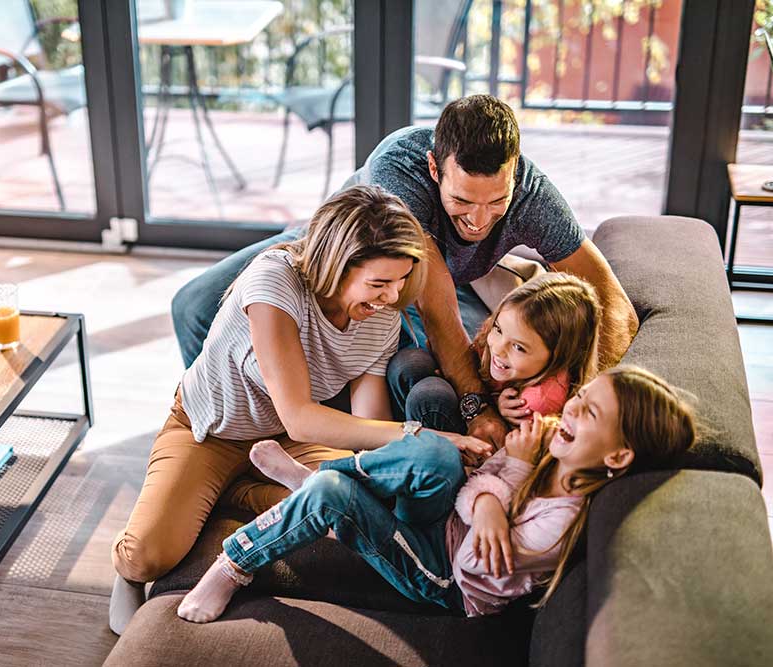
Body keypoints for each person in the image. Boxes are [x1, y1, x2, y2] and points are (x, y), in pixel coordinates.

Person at [110, 185, 493, 634]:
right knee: (149, 555)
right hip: (212, 431)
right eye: (378, 283)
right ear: (336, 265)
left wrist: (389, 461)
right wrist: (421, 436)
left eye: (400, 282)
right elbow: (299, 413)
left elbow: (364, 423)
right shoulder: (275, 282)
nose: (391, 297)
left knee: (362, 505)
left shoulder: (382, 311)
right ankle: (150, 549)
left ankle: (240, 488)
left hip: (292, 441)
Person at [170, 95, 638, 449]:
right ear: (435, 169)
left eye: (497, 202)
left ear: (515, 173)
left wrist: (581, 398)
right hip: (334, 250)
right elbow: (435, 310)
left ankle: (303, 432)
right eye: (461, 203)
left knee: (494, 358)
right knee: (192, 306)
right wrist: (476, 411)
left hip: (430, 284)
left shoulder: (535, 197)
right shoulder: (400, 170)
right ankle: (232, 440)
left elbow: (615, 305)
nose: (478, 221)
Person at [176, 366, 697, 622]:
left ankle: (234, 563)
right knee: (436, 455)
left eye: (591, 416)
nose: (573, 412)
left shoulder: (561, 524)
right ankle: (319, 483)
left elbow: (475, 562)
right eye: (580, 399)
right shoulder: (547, 453)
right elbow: (474, 491)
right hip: (445, 524)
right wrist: (493, 488)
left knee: (333, 493)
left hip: (443, 574)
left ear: (618, 457)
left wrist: (506, 478)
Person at [393, 272, 602, 434]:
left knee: (430, 395)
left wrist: (499, 413)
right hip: (479, 403)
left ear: (559, 357)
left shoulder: (539, 401)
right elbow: (476, 357)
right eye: (499, 330)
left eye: (519, 347)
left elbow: (509, 451)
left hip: (483, 448)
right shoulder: (498, 337)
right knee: (411, 362)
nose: (499, 349)